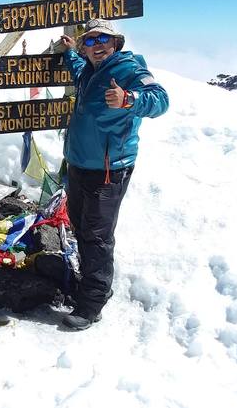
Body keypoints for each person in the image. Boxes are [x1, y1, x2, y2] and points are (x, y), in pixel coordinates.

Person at [59, 18, 168, 329]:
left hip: (109, 169)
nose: (97, 45)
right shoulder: (90, 70)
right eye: (89, 41)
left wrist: (128, 100)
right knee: (80, 225)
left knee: (97, 235)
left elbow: (160, 100)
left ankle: (92, 302)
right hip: (80, 164)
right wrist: (70, 53)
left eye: (102, 39)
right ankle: (89, 281)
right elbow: (80, 70)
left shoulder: (129, 68)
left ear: (116, 43)